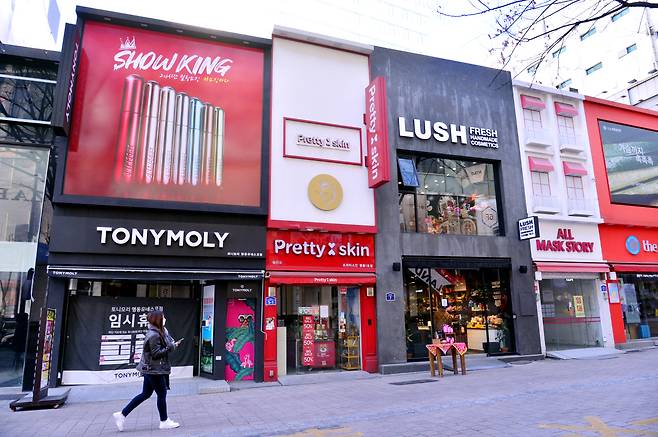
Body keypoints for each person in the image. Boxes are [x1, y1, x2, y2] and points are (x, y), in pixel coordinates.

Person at [113, 310, 182, 431]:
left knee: (146, 394)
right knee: (161, 394)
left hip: (153, 368)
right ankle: (164, 421)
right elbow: (155, 354)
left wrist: (173, 344)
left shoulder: (162, 331)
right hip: (153, 369)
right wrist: (171, 347)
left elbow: (168, 342)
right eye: (163, 317)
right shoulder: (153, 335)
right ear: (158, 319)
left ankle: (122, 415)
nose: (165, 318)